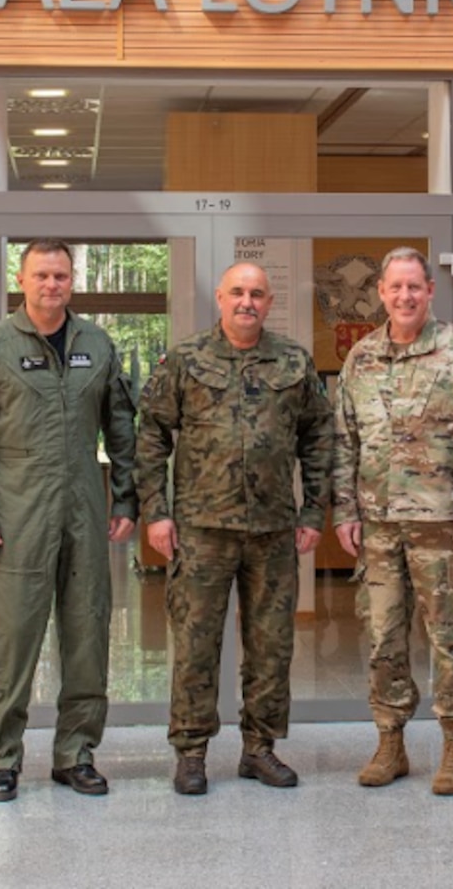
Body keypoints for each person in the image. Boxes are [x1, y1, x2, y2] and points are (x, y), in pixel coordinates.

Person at [0, 241, 138, 801]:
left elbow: (121, 430)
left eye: (60, 275)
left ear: (71, 281)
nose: (51, 284)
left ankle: (75, 754)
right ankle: (4, 758)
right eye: (41, 275)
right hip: (17, 514)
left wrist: (125, 500)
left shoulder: (96, 344)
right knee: (12, 640)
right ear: (20, 280)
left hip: (82, 509)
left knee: (87, 636)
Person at [136, 262, 334, 795]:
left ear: (270, 303)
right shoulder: (185, 359)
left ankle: (260, 749)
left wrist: (315, 511)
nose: (247, 302)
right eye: (238, 293)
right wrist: (156, 511)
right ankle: (192, 752)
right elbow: (151, 435)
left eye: (258, 294)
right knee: (196, 645)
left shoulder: (293, 360)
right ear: (220, 299)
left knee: (271, 645)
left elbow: (319, 438)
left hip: (273, 531)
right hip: (201, 530)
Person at [331, 246, 453, 797]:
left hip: (444, 525)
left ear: (430, 290)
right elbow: (344, 440)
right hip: (380, 528)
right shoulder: (360, 359)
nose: (405, 296)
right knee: (383, 636)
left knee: (450, 640)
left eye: (414, 286)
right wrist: (344, 509)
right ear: (380, 293)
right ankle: (391, 741)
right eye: (395, 287)